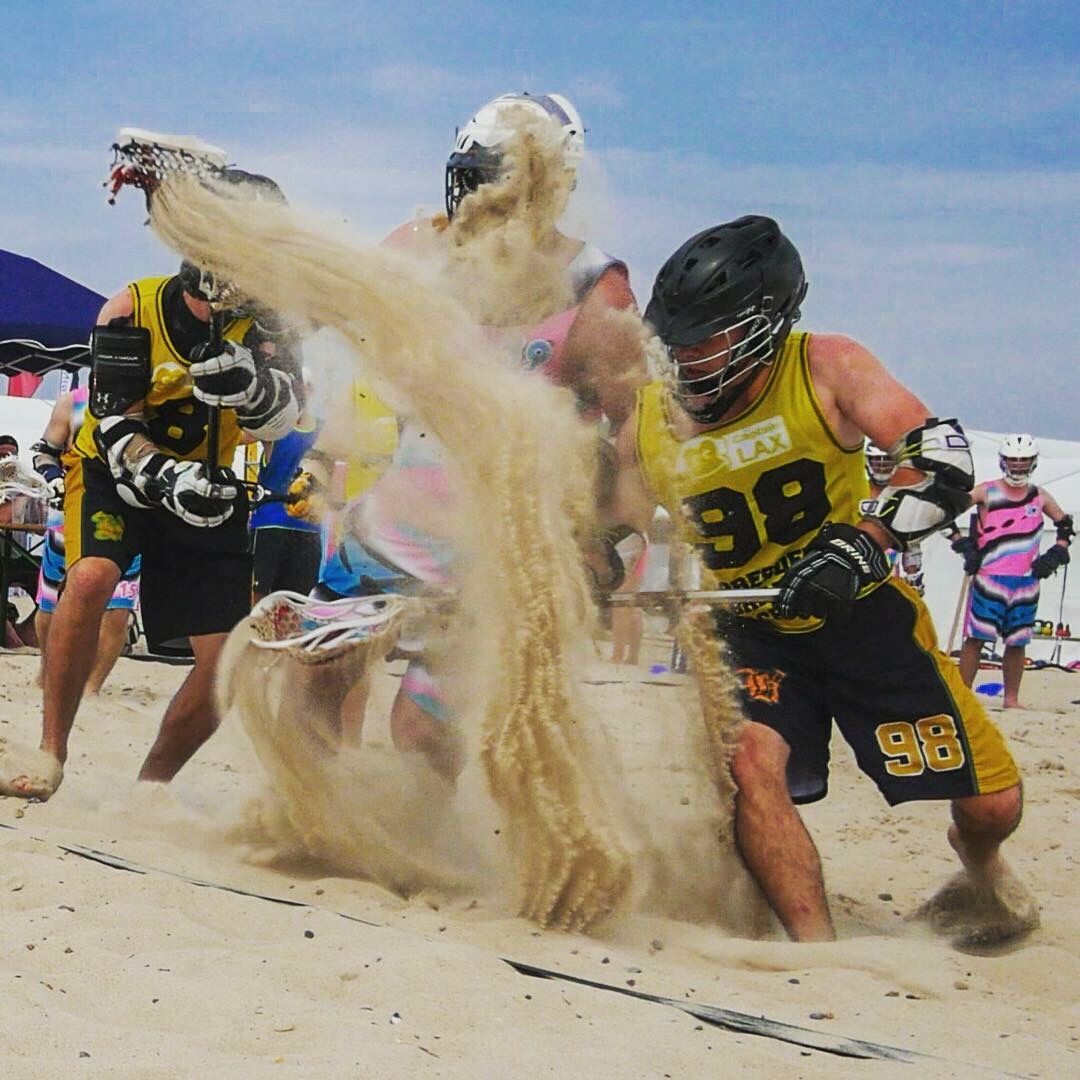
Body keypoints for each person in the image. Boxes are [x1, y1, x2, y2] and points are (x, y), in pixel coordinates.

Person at [606, 214, 1033, 944]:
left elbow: (942, 458)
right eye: (676, 340)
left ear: (762, 327)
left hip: (863, 614)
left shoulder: (826, 365)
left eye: (706, 340)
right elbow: (621, 524)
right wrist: (588, 565)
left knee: (995, 806)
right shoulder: (646, 417)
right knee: (751, 763)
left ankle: (977, 857)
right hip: (751, 628)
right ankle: (820, 956)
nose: (685, 360)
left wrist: (863, 543)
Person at [288, 91, 645, 774]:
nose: (474, 200)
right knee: (314, 677)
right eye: (470, 177)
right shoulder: (421, 244)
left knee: (423, 732)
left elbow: (634, 433)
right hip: (389, 524)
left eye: (493, 183)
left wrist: (609, 540)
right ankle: (323, 832)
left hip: (498, 546)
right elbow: (323, 302)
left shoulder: (595, 292)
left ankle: (420, 857)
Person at [0, 178, 303, 800]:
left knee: (227, 661)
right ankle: (51, 749)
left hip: (211, 488)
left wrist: (254, 391)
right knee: (90, 577)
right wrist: (168, 477)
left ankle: (150, 786)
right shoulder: (130, 306)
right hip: (117, 475)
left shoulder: (272, 323)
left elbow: (286, 417)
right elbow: (111, 420)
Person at [946, 434, 1073, 708]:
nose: (1018, 466)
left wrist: (1056, 553)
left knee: (1017, 641)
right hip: (989, 578)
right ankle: (962, 696)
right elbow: (946, 512)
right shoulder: (986, 491)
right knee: (976, 638)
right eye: (1013, 460)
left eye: (1023, 461)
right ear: (1003, 461)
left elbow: (1065, 524)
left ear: (1033, 462)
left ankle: (1011, 699)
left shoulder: (1039, 496)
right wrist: (962, 544)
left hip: (1026, 581)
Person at [31, 387, 141, 693]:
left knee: (118, 611)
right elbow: (44, 450)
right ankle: (47, 670)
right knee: (52, 601)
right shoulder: (74, 402)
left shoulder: (151, 397)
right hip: (71, 508)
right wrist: (53, 477)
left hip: (130, 515)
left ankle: (92, 688)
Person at [249, 374, 322, 604]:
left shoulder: (274, 430)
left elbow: (234, 434)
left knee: (260, 600)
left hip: (274, 524)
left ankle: (254, 639)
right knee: (296, 604)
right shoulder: (326, 432)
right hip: (303, 526)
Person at [863, 440, 925, 595]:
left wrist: (913, 575)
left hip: (888, 566)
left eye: (887, 461)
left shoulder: (902, 494)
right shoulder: (858, 488)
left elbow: (911, 537)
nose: (883, 466)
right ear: (869, 462)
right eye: (878, 461)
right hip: (854, 562)